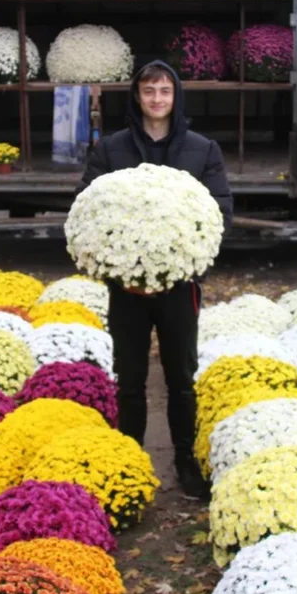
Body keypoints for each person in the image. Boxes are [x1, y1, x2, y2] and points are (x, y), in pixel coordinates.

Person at [77, 60, 233, 498]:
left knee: (181, 376)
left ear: (175, 95)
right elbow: (87, 211)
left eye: (164, 91)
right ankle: (129, 460)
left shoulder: (202, 150)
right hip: (126, 290)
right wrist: (116, 270)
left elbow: (221, 213)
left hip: (179, 288)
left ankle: (184, 461)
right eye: (149, 91)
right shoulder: (111, 149)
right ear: (137, 96)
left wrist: (185, 266)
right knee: (129, 376)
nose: (157, 99)